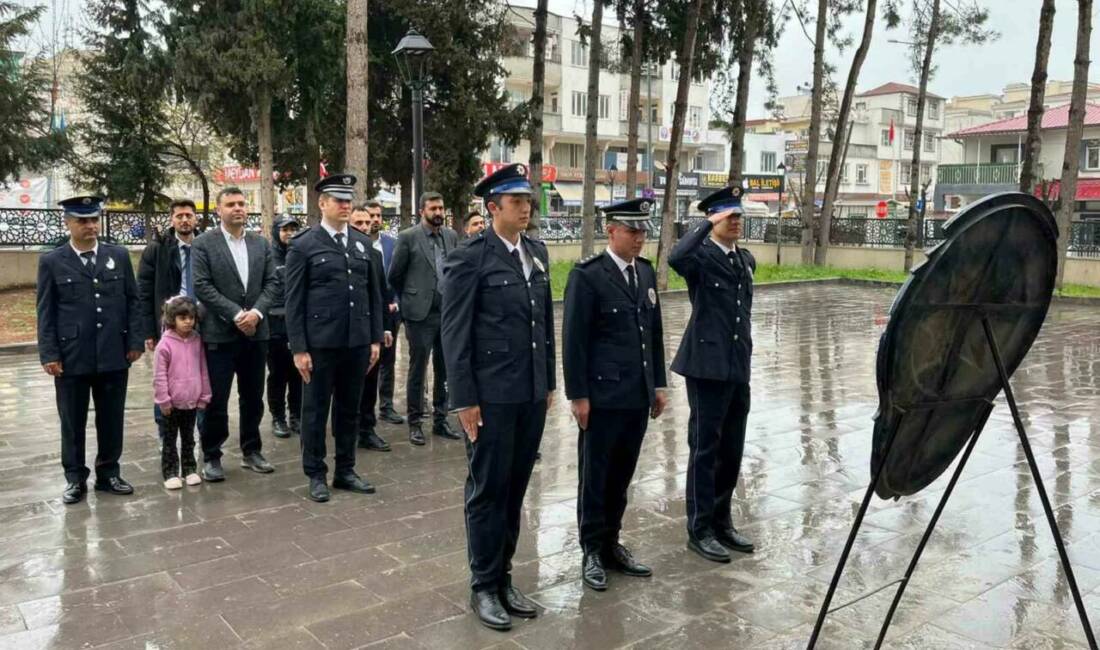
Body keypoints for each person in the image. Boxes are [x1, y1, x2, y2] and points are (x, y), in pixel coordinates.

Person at [441, 163, 555, 631]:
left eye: (529, 201)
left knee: (515, 489)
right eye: (516, 202)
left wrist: (548, 381)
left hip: (529, 393)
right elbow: (454, 332)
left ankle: (505, 576)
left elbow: (544, 324)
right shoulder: (471, 257)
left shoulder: (536, 251)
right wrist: (464, 399)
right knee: (488, 490)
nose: (526, 208)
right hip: (490, 396)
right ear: (492, 209)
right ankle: (484, 585)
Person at [563, 198, 667, 591]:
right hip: (603, 398)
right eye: (632, 230)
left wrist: (657, 384)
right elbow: (574, 341)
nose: (640, 238)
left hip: (636, 396)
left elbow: (653, 334)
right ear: (611, 230)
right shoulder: (588, 276)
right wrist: (579, 396)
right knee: (596, 476)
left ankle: (611, 543)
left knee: (622, 474)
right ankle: (591, 549)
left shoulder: (645, 273)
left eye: (644, 231)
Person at [668, 185, 756, 563]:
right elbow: (676, 256)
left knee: (731, 448)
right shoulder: (700, 259)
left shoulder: (744, 260)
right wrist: (706, 223)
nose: (735, 222)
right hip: (706, 367)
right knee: (705, 448)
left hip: (737, 365)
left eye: (738, 216)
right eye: (728, 217)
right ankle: (699, 527)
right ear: (714, 219)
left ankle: (722, 519)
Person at [36, 195, 143, 504]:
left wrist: (135, 341)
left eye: (94, 219)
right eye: (82, 220)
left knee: (112, 418)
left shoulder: (118, 256)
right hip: (72, 356)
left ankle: (109, 473)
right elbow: (45, 311)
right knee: (72, 421)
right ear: (68, 223)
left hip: (113, 352)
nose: (90, 226)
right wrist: (49, 353)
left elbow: (132, 301)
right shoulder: (52, 261)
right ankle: (74, 478)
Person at [285, 174, 383, 502]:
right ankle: (315, 473)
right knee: (314, 410)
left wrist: (372, 340)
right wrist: (298, 347)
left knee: (349, 409)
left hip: (355, 343)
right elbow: (294, 301)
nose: (345, 205)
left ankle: (345, 469)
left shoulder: (362, 243)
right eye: (338, 200)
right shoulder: (303, 245)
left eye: (348, 199)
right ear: (322, 204)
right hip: (320, 344)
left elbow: (373, 295)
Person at [191, 187, 278, 482]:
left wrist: (256, 313)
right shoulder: (204, 244)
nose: (238, 208)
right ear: (219, 210)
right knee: (216, 399)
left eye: (242, 203)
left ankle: (251, 450)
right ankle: (212, 455)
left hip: (256, 333)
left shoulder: (261, 244)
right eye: (231, 204)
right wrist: (236, 314)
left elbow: (272, 283)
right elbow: (202, 286)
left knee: (253, 396)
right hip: (220, 333)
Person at [388, 191, 461, 445]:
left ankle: (441, 420)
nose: (439, 213)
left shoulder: (451, 236)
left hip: (447, 314)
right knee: (418, 369)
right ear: (422, 211)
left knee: (445, 369)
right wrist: (409, 300)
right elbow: (395, 275)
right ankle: (415, 422)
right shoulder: (408, 237)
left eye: (441, 208)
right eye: (433, 209)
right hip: (420, 315)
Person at [137, 198, 202, 440]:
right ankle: (166, 434)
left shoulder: (205, 244)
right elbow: (143, 290)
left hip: (201, 321)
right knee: (167, 378)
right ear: (171, 219)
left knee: (200, 377)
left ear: (196, 218)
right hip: (169, 324)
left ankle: (197, 433)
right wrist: (148, 331)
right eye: (179, 216)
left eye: (188, 215)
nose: (185, 220)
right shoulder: (158, 248)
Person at [350, 203, 395, 451]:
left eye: (367, 223)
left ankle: (367, 429)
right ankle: (345, 429)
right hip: (346, 333)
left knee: (369, 384)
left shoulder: (374, 254)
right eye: (359, 223)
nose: (365, 227)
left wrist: (384, 329)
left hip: (370, 332)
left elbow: (381, 295)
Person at [153, 296, 211, 489]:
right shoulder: (164, 345)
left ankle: (189, 469)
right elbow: (159, 376)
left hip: (192, 401)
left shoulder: (197, 341)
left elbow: (202, 368)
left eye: (191, 317)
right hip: (171, 403)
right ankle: (170, 472)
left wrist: (204, 395)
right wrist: (163, 400)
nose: (188, 321)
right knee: (169, 439)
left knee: (189, 438)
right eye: (182, 317)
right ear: (172, 319)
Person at [267, 214, 303, 439]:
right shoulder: (268, 256)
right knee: (278, 374)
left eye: (293, 229)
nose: (289, 233)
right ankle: (278, 416)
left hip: (298, 323)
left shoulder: (300, 253)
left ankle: (296, 415)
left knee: (298, 372)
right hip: (275, 325)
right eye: (284, 229)